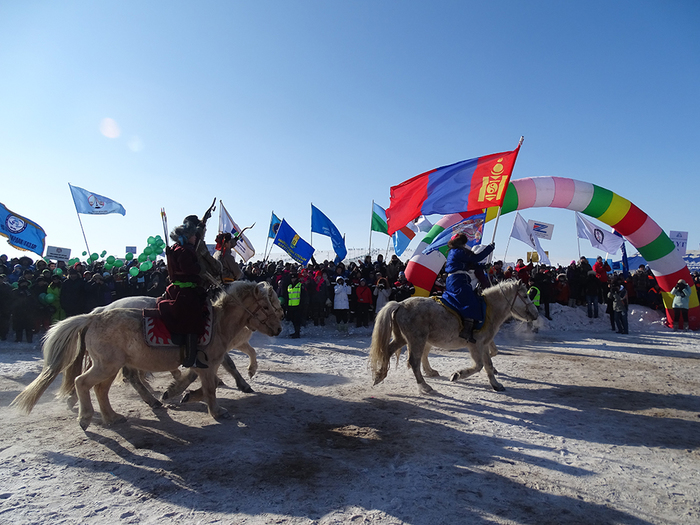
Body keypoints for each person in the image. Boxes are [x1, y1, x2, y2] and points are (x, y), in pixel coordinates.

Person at [157, 215, 210, 368]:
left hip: (179, 289)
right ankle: (191, 357)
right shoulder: (185, 250)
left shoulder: (176, 248)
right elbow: (189, 269)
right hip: (185, 291)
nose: (195, 237)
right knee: (193, 321)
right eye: (193, 235)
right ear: (187, 236)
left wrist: (202, 223)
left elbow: (199, 236)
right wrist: (200, 269)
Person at [440, 234, 495, 343]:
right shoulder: (458, 252)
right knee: (471, 302)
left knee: (470, 298)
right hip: (458, 280)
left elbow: (471, 265)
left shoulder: (456, 252)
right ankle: (466, 331)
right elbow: (476, 258)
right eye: (463, 242)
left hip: (457, 279)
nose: (464, 244)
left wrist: (483, 267)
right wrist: (490, 248)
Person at [285, 272, 303, 338]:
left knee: (297, 320)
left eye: (294, 278)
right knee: (293, 320)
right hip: (291, 306)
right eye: (292, 278)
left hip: (297, 306)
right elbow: (288, 296)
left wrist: (301, 305)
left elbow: (303, 296)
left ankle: (297, 333)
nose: (293, 279)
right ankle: (295, 332)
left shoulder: (300, 285)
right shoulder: (289, 286)